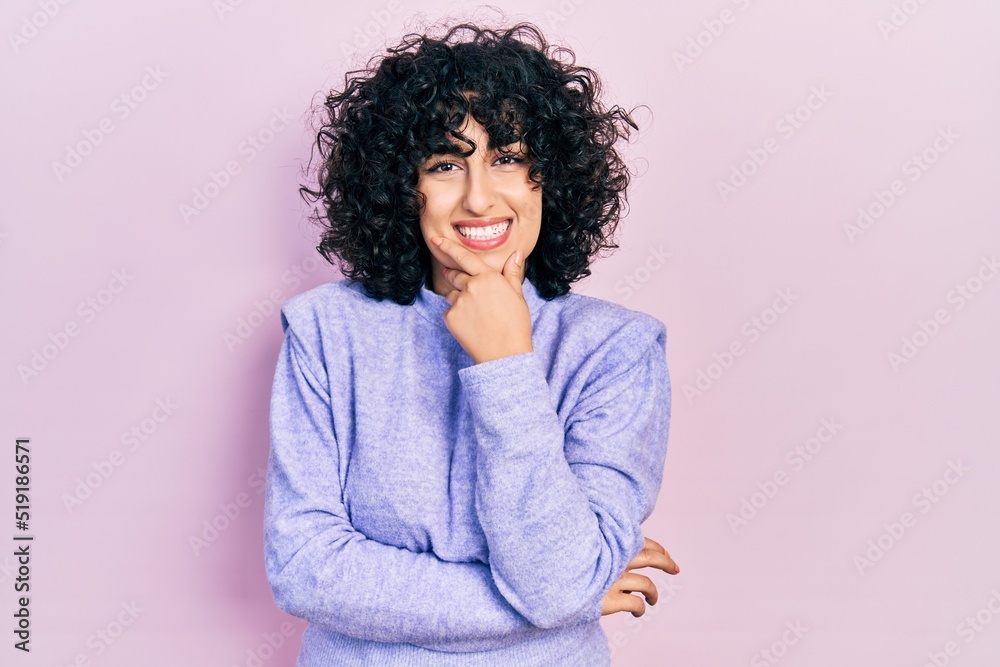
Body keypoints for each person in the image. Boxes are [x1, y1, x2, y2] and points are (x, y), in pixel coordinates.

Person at [263, 18, 678, 666]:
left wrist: (507, 362)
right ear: (407, 185)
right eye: (446, 163)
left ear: (551, 177)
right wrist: (568, 600)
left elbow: (556, 579)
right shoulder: (324, 333)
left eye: (508, 158)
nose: (480, 198)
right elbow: (306, 567)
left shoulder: (617, 350)